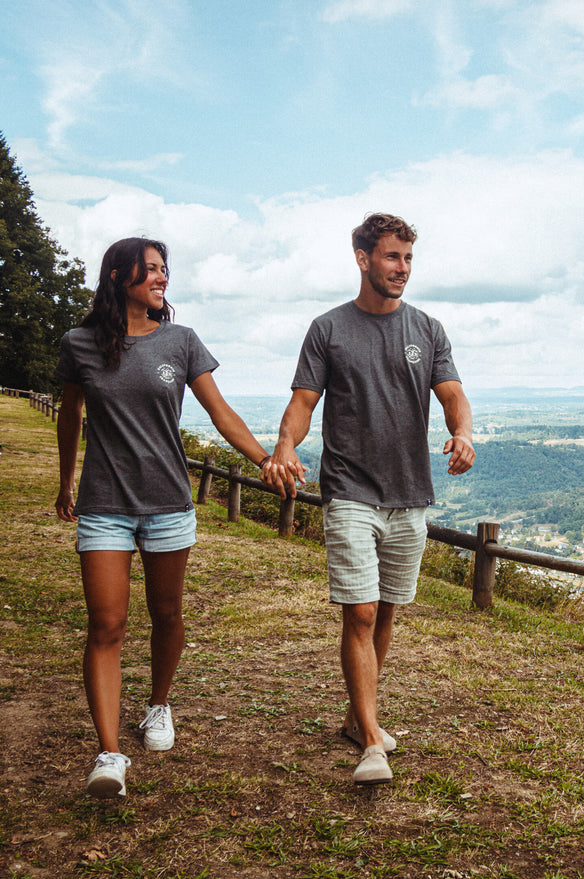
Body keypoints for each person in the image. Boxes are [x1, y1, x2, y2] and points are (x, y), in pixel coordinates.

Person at [55, 237, 272, 798]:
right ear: (116, 276)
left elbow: (220, 413)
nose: (161, 277)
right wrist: (66, 480)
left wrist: (267, 460)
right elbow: (70, 415)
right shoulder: (78, 344)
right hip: (105, 506)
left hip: (169, 504)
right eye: (149, 269)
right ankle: (108, 754)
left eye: (163, 269)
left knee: (167, 615)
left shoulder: (181, 341)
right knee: (106, 625)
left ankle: (157, 706)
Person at [263, 213, 475, 785]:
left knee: (384, 611)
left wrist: (463, 433)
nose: (402, 269)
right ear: (363, 259)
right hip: (351, 489)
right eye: (391, 257)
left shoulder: (428, 329)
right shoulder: (328, 329)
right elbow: (304, 404)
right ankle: (370, 746)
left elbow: (453, 394)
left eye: (407, 259)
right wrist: (284, 447)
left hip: (410, 496)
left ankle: (362, 720)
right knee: (358, 611)